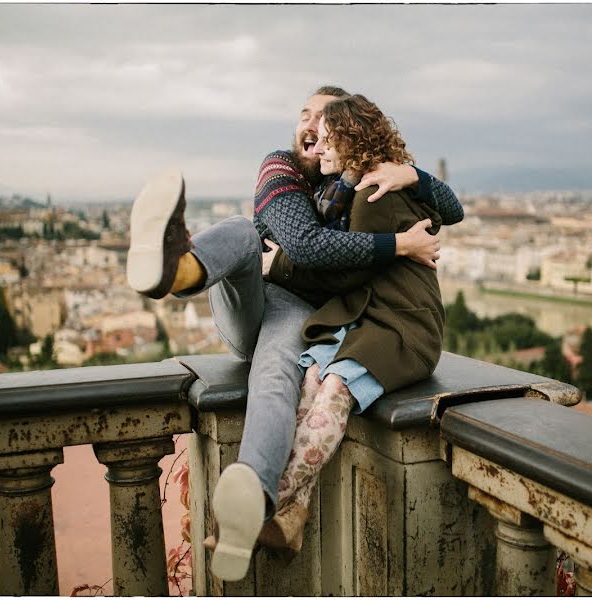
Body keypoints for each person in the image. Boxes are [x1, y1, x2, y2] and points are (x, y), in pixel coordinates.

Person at [126, 85, 463, 581]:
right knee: (242, 231)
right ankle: (177, 272)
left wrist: (411, 174)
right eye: (306, 117)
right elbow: (307, 247)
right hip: (253, 301)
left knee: (277, 380)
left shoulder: (351, 188)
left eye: (326, 121)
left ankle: (256, 498)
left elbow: (443, 210)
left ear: (346, 134)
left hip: (300, 315)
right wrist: (395, 245)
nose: (314, 129)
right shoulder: (280, 168)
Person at [255, 93, 447, 558]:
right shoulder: (348, 187)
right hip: (369, 315)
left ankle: (266, 508)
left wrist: (276, 265)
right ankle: (292, 515)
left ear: (346, 139)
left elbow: (345, 269)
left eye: (324, 140)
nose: (316, 149)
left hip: (404, 326)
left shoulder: (370, 193)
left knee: (334, 388)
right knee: (311, 377)